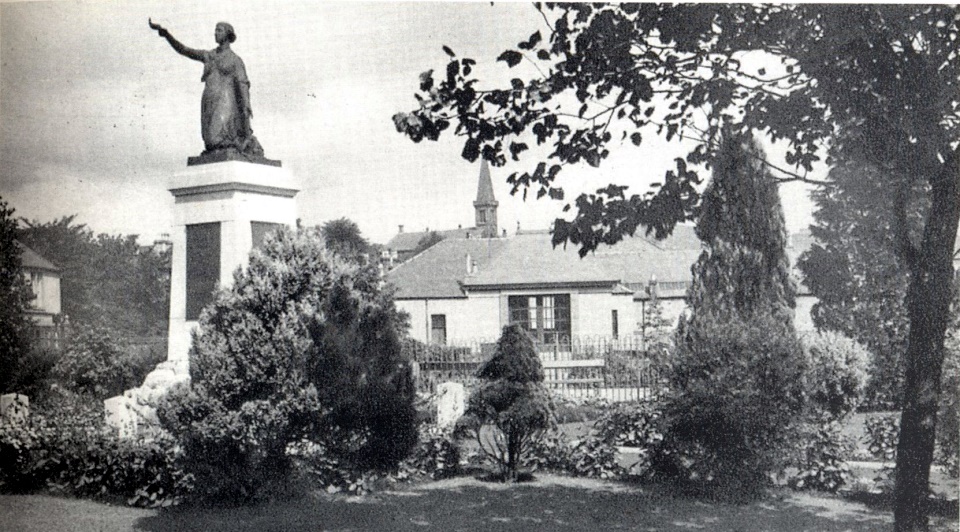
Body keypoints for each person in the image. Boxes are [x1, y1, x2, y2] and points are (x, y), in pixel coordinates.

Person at [149, 19, 264, 159]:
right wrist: (167, 35)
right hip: (208, 100)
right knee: (210, 141)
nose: (215, 33)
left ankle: (237, 146)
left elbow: (242, 83)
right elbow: (185, 50)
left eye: (219, 30)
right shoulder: (209, 55)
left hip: (226, 101)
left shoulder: (235, 60)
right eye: (215, 30)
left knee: (217, 139)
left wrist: (246, 104)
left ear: (228, 34)